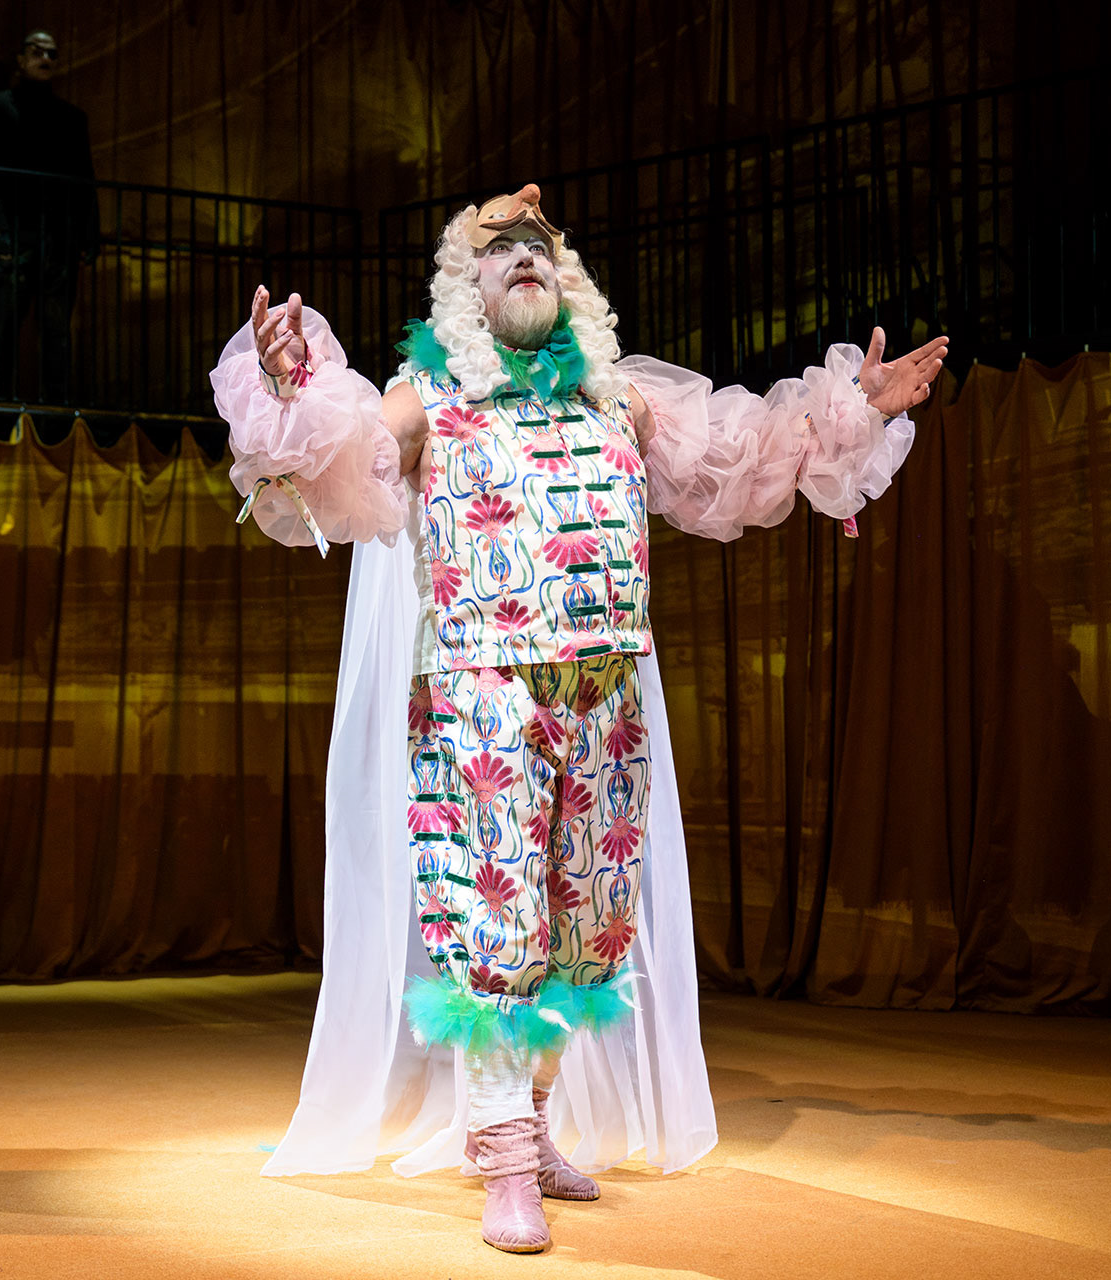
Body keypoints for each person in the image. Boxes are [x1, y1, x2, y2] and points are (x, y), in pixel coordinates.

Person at [211, 185, 946, 1254]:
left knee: (584, 930)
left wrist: (857, 410)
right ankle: (504, 1156)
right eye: (499, 247)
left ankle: (530, 1119)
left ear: (567, 282)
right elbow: (328, 468)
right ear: (466, 284)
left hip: (602, 694)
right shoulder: (429, 398)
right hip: (482, 690)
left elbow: (742, 458)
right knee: (497, 919)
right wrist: (289, 387)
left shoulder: (617, 400)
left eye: (539, 247)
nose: (524, 256)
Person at [0, 30, 100, 403]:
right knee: (4, 322)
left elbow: (84, 178)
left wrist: (89, 234)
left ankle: (55, 409)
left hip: (58, 237)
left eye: (52, 53)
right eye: (37, 51)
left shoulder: (71, 118)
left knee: (56, 327)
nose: (45, 58)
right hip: (15, 232)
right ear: (20, 58)